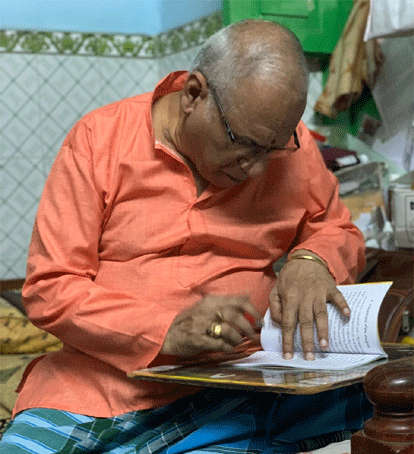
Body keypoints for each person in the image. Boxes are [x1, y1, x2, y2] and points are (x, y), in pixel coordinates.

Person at [0, 19, 372, 454]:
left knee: (389, 396)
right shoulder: (99, 139)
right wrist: (165, 332)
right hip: (102, 390)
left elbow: (336, 228)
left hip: (239, 388)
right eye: (246, 145)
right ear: (194, 94)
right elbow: (51, 288)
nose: (257, 167)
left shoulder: (288, 145)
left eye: (273, 150)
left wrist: (312, 261)